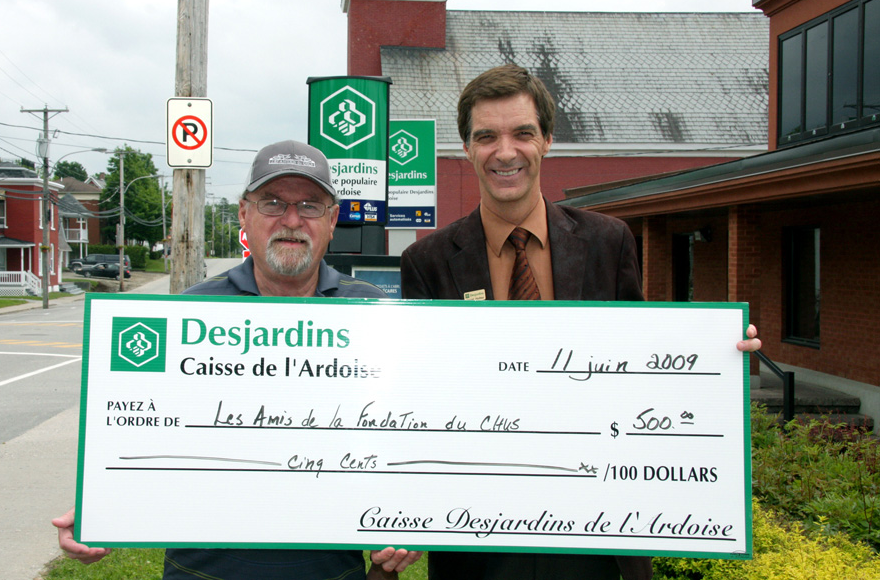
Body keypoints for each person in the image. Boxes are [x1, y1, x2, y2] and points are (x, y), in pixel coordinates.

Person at [399, 64, 761, 580]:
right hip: (480, 538)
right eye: (486, 137)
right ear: (467, 148)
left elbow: (643, 371)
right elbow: (419, 396)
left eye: (522, 133)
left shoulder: (609, 242)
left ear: (547, 140)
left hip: (599, 534)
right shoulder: (428, 260)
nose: (505, 151)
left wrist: (714, 360)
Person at [54, 140, 420, 580]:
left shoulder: (374, 314)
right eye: (272, 203)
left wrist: (409, 517)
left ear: (332, 219)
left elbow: (403, 440)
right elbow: (140, 432)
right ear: (244, 214)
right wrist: (103, 505)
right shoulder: (187, 316)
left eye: (309, 205)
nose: (291, 219)